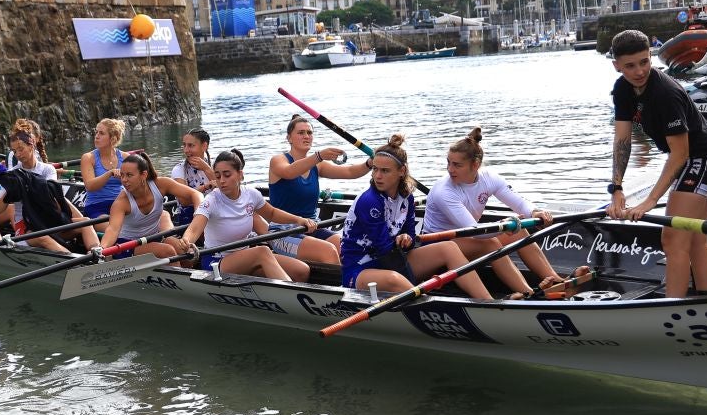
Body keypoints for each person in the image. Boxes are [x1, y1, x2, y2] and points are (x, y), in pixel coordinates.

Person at [606, 28, 707, 298]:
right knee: (694, 234)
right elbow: (622, 141)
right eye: (630, 66)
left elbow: (680, 155)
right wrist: (617, 188)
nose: (639, 71)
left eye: (645, 61)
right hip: (688, 157)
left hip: (703, 156)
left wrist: (649, 201)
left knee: (672, 239)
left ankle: (673, 308)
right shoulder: (622, 90)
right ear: (617, 66)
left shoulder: (665, 94)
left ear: (651, 56)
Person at [339, 134, 492, 299]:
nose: (377, 176)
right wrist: (416, 285)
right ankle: (428, 304)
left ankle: (488, 302)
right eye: (375, 169)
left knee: (449, 248)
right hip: (360, 268)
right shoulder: (369, 201)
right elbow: (384, 250)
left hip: (393, 259)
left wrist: (407, 238)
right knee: (394, 279)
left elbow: (410, 235)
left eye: (385, 171)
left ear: (402, 171)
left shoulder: (407, 198)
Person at [419, 126, 563, 298]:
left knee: (519, 232)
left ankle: (556, 282)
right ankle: (529, 294)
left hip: (467, 238)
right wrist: (502, 225)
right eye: (448, 162)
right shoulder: (444, 191)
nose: (450, 169)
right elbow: (475, 230)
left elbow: (519, 202)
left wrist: (535, 212)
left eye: (457, 165)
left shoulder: (489, 178)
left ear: (476, 165)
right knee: (491, 243)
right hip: (439, 244)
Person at [169, 149, 315, 282]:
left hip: (245, 255)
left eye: (227, 175)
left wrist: (299, 220)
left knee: (302, 270)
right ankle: (291, 296)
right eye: (218, 176)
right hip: (216, 260)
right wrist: (186, 241)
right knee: (262, 251)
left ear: (240, 174)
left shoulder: (251, 194)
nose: (221, 181)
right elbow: (195, 228)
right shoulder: (211, 200)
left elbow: (272, 213)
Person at [267, 115, 370, 263]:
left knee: (347, 246)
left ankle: (356, 280)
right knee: (328, 251)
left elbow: (350, 172)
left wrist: (370, 163)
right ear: (289, 138)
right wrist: (319, 156)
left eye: (309, 133)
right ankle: (344, 284)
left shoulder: (317, 165)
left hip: (313, 226)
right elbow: (289, 172)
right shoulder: (278, 160)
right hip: (282, 233)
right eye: (301, 133)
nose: (306, 136)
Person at [5, 128, 99, 252]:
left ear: (31, 145)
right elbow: (1, 208)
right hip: (27, 226)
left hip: (48, 219)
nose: (18, 154)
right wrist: (9, 191)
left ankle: (98, 254)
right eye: (14, 151)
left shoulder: (48, 169)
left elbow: (52, 199)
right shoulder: (12, 174)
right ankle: (75, 262)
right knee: (44, 237)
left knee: (86, 222)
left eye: (20, 149)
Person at [96, 152, 202, 258]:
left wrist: (199, 213)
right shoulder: (121, 202)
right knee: (167, 251)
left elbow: (195, 194)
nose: (124, 180)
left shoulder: (161, 184)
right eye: (122, 175)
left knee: (187, 253)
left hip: (154, 237)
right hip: (127, 244)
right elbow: (113, 229)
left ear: (144, 175)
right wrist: (102, 248)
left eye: (129, 175)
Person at [80, 118, 126, 219]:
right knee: (115, 227)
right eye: (96, 132)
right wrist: (110, 173)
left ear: (113, 138)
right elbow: (90, 186)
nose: (96, 136)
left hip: (121, 205)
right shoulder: (88, 158)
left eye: (101, 133)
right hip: (96, 207)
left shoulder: (125, 157)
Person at [170, 128, 213, 226]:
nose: (186, 150)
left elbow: (228, 191)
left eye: (191, 146)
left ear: (204, 146)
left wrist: (207, 169)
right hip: (189, 217)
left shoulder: (215, 165)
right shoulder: (179, 169)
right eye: (184, 145)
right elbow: (184, 201)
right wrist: (206, 186)